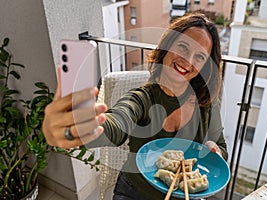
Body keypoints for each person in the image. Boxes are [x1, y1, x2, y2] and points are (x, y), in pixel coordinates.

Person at [43, 11, 228, 200]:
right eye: (183, 46)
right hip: (134, 192)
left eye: (200, 57)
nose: (188, 60)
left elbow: (220, 146)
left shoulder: (207, 104)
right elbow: (117, 122)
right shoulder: (141, 99)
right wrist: (77, 129)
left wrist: (215, 150)